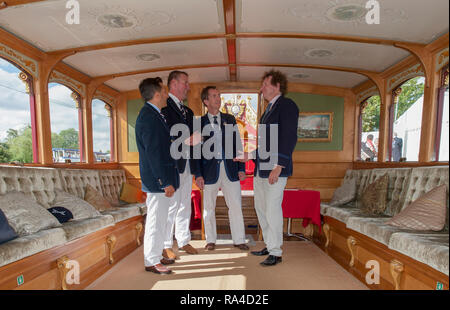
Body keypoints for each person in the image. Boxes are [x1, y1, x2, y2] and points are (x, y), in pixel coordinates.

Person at [239, 70, 299, 266]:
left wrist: (278, 166)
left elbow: (289, 137)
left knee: (272, 209)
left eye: (265, 84)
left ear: (277, 86)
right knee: (261, 208)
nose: (261, 88)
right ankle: (269, 243)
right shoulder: (268, 110)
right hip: (261, 169)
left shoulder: (287, 105)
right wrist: (250, 156)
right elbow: (267, 144)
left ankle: (276, 251)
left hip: (275, 169)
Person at [193, 86, 249, 251]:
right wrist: (198, 174)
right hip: (208, 172)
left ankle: (239, 239)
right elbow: (195, 151)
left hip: (230, 170)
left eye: (219, 96)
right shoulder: (199, 123)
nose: (218, 99)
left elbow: (237, 144)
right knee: (208, 207)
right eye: (214, 96)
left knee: (236, 205)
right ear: (206, 101)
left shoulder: (230, 119)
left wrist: (241, 168)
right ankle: (210, 240)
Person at [135, 77, 179, 275]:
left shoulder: (155, 115)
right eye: (164, 91)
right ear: (157, 94)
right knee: (155, 219)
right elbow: (153, 154)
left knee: (161, 219)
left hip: (160, 179)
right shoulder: (149, 117)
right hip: (157, 181)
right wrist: (165, 182)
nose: (167, 95)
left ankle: (156, 254)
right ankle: (151, 261)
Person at [161, 70, 198, 259]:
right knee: (171, 205)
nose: (188, 87)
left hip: (187, 164)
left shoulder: (189, 112)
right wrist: (187, 139)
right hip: (172, 164)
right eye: (185, 83)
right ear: (173, 84)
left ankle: (183, 240)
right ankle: (166, 244)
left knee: (185, 203)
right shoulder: (163, 108)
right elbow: (165, 136)